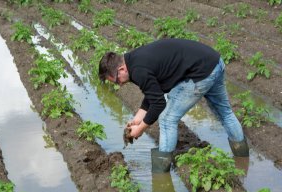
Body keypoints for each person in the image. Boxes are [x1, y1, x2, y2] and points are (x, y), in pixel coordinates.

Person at [98, 38, 249, 173]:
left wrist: (141, 129)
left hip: (201, 73)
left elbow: (158, 103)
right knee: (225, 113)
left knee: (167, 119)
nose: (120, 85)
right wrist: (138, 118)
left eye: (117, 81)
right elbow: (153, 93)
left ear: (121, 69)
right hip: (214, 62)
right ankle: (242, 159)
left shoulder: (138, 70)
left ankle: (161, 172)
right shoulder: (134, 61)